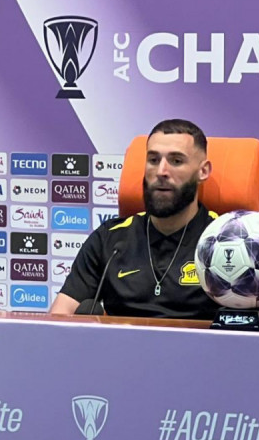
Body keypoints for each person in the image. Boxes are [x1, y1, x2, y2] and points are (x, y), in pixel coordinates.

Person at [50, 119, 219, 319]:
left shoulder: (225, 240)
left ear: (203, 171)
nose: (161, 172)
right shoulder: (110, 239)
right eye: (153, 160)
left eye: (176, 161)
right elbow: (60, 316)